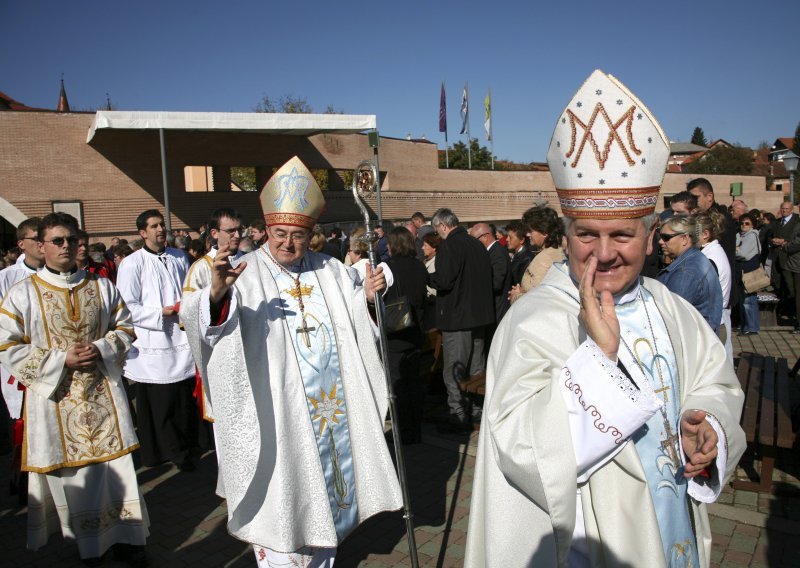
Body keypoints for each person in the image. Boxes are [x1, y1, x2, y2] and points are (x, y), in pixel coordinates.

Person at [465, 69, 745, 568]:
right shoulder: (533, 320)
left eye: (622, 235)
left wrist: (712, 430)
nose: (604, 254)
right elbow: (519, 448)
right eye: (587, 235)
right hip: (586, 544)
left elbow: (715, 380)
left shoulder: (670, 307)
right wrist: (599, 359)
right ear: (566, 235)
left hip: (673, 526)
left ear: (651, 232)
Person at [180, 156, 402, 566]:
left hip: (329, 411)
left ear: (311, 233)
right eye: (279, 233)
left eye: (297, 235)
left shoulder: (331, 269)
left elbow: (357, 318)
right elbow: (199, 325)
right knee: (284, 506)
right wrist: (216, 298)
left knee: (325, 515)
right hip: (275, 413)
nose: (287, 243)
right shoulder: (240, 273)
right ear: (265, 230)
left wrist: (369, 299)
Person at [0, 212, 148, 565]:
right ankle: (89, 550)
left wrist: (99, 349)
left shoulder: (102, 287)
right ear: (41, 246)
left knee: (118, 476)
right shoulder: (23, 294)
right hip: (56, 402)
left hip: (103, 397)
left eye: (71, 240)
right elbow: (8, 346)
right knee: (75, 481)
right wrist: (60, 360)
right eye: (57, 241)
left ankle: (130, 543)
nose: (66, 246)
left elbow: (126, 328)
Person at [116, 209, 198, 471]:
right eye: (154, 226)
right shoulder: (132, 263)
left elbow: (189, 289)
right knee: (161, 403)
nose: (160, 229)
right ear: (142, 233)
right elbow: (126, 306)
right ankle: (166, 452)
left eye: (162, 224)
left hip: (180, 338)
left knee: (183, 399)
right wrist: (160, 312)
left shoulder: (179, 256)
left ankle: (187, 447)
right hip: (154, 341)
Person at [429, 208, 494, 427]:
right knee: (476, 368)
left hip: (458, 319)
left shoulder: (450, 245)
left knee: (455, 368)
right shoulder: (476, 244)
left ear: (443, 226)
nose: (438, 236)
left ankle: (457, 413)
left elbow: (445, 280)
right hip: (480, 316)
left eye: (437, 231)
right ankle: (476, 410)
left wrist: (429, 279)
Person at [183, 208, 244, 426]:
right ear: (214, 233)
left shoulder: (250, 262)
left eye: (239, 230)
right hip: (219, 354)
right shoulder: (200, 268)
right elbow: (187, 315)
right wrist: (214, 296)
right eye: (231, 231)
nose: (237, 235)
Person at [384, 227, 428, 444]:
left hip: (396, 332)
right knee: (413, 382)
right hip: (416, 331)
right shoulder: (420, 266)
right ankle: (415, 429)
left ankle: (402, 432)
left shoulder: (387, 267)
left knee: (398, 384)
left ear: (392, 245)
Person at [657, 215, 723, 333]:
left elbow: (670, 317)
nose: (660, 241)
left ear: (685, 239)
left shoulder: (686, 272)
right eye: (660, 236)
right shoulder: (695, 260)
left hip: (692, 343)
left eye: (666, 237)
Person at [695, 209, 733, 361]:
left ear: (705, 235)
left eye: (691, 234)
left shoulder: (709, 258)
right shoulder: (713, 252)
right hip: (717, 318)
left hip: (713, 322)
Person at [509, 205, 566, 302]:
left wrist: (517, 295)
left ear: (544, 233)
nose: (527, 234)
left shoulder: (545, 260)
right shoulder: (554, 252)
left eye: (530, 231)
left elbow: (537, 300)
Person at [470, 222, 511, 325]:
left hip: (498, 310)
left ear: (485, 237)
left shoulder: (497, 253)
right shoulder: (490, 252)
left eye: (474, 240)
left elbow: (496, 283)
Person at [770, 201, 799, 324]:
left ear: (791, 210)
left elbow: (796, 240)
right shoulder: (777, 222)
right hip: (778, 258)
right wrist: (773, 241)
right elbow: (769, 235)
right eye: (783, 208)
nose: (784, 211)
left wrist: (784, 243)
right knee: (779, 285)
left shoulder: (796, 222)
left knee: (792, 289)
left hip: (792, 260)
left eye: (787, 209)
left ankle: (791, 313)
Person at [735, 212, 762, 336]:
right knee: (744, 300)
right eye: (742, 223)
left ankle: (752, 327)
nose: (743, 225)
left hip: (749, 271)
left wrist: (736, 250)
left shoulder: (751, 236)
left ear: (752, 225)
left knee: (749, 300)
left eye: (747, 223)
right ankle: (746, 325)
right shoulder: (740, 235)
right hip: (742, 271)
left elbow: (743, 254)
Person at [506, 220, 534, 286]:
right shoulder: (515, 254)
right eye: (507, 236)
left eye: (510, 237)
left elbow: (521, 284)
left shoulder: (527, 258)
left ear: (521, 240)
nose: (507, 239)